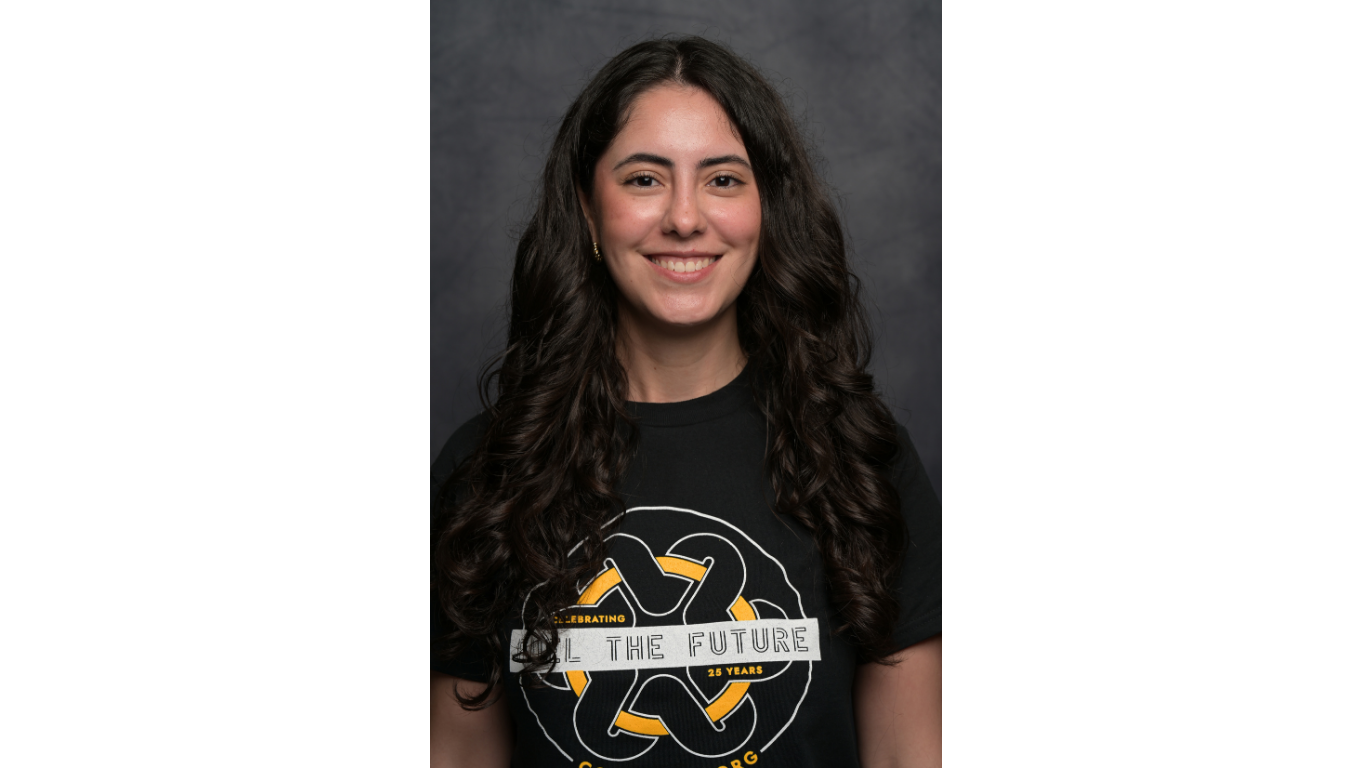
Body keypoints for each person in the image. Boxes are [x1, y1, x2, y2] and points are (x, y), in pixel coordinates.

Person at [431, 36, 940, 768]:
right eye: (644, 179)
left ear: (767, 208)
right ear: (588, 210)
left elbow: (907, 755)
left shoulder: (861, 460)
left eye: (723, 180)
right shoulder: (487, 471)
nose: (684, 218)